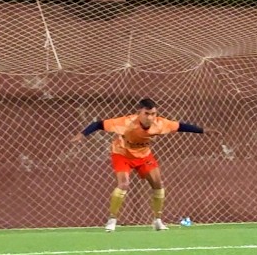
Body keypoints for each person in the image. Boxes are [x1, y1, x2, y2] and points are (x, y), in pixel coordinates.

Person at [73, 98, 207, 232]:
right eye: (147, 114)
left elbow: (181, 127)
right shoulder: (125, 123)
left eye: (153, 114)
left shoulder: (160, 124)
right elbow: (98, 124)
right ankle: (112, 220)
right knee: (123, 184)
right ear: (139, 113)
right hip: (122, 154)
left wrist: (203, 130)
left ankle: (157, 220)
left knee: (158, 184)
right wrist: (81, 135)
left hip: (144, 156)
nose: (150, 117)